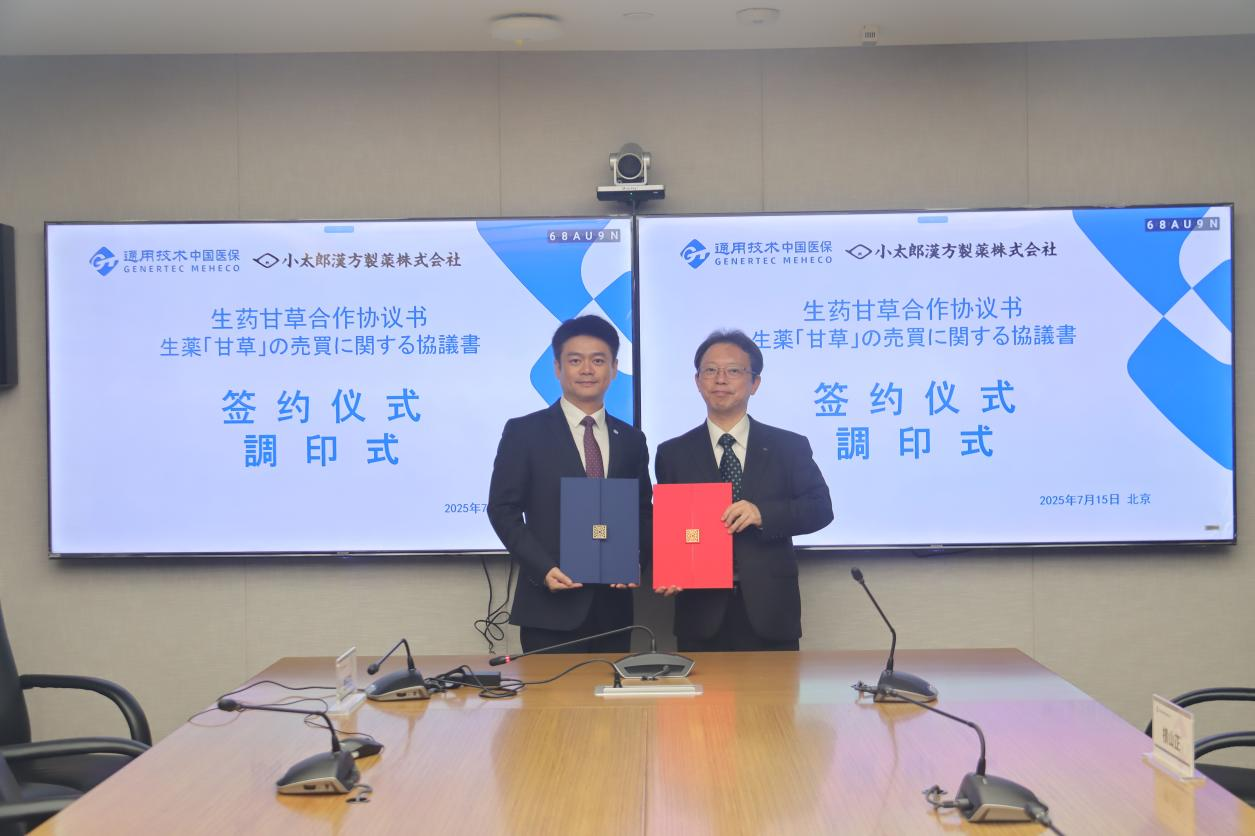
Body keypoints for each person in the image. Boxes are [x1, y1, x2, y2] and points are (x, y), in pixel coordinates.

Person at [654, 330, 833, 651]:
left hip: (771, 610)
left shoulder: (788, 446)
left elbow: (820, 508)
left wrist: (762, 514)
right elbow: (669, 525)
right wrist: (670, 567)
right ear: (697, 381)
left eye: (734, 370)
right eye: (710, 370)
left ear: (755, 383)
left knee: (775, 688)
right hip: (700, 611)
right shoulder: (673, 453)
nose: (720, 379)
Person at [488, 315, 652, 654]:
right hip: (549, 606)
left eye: (598, 360)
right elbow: (502, 510)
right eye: (575, 361)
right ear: (558, 369)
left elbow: (641, 511)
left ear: (614, 368)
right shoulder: (524, 432)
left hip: (614, 610)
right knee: (549, 692)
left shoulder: (631, 439)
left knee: (611, 690)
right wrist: (542, 568)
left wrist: (638, 560)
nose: (587, 370)